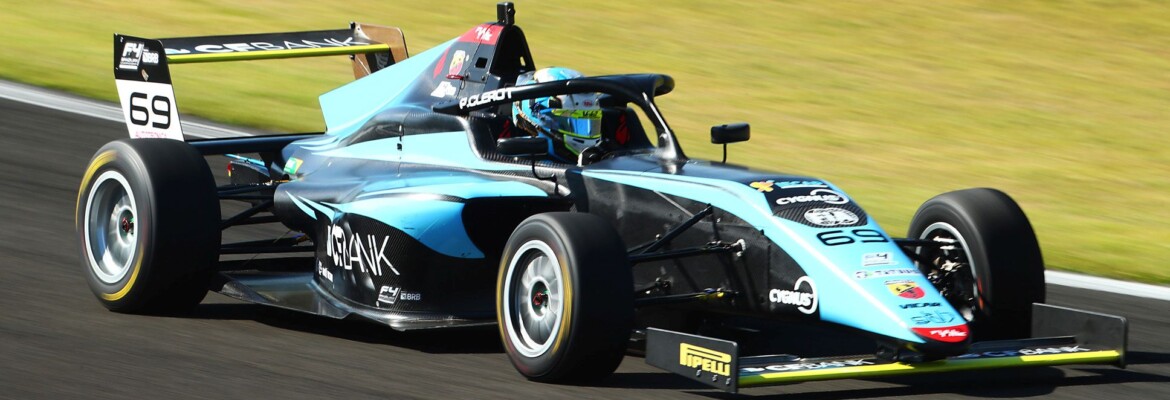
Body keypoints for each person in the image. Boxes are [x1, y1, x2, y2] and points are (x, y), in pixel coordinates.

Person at [511, 67, 605, 164]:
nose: (588, 131)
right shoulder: (524, 165)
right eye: (572, 124)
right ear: (539, 117)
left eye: (593, 122)